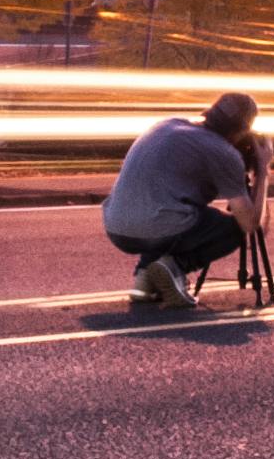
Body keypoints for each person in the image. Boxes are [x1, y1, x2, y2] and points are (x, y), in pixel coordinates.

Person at [104, 91, 263, 310]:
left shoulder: (167, 124)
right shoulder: (223, 152)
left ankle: (144, 278)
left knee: (172, 208)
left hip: (116, 228)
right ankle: (175, 267)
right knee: (232, 228)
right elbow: (250, 223)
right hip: (156, 228)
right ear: (242, 131)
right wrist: (263, 171)